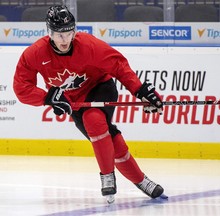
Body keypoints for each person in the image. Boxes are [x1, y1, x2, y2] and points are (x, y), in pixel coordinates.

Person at [13, 5, 165, 203]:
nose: (64, 40)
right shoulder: (35, 53)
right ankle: (141, 180)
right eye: (59, 35)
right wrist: (47, 98)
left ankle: (107, 176)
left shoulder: (88, 45)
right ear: (49, 32)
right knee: (109, 138)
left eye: (68, 33)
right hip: (73, 102)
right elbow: (21, 87)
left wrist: (141, 91)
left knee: (94, 120)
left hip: (99, 88)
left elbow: (118, 65)